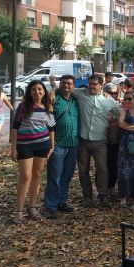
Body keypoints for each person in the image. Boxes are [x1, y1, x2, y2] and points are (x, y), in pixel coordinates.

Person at [69, 74, 120, 208]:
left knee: (102, 169)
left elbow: (120, 113)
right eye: (89, 83)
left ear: (101, 86)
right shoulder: (80, 94)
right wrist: (53, 90)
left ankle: (103, 195)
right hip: (83, 140)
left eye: (94, 84)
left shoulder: (108, 100)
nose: (91, 86)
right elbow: (65, 88)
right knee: (83, 169)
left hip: (100, 141)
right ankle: (87, 196)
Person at [10, 80, 56, 223]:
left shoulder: (47, 107)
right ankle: (18, 211)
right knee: (25, 177)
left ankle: (32, 207)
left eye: (40, 89)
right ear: (30, 92)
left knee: (37, 176)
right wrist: (13, 149)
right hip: (25, 146)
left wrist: (52, 145)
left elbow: (51, 127)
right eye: (34, 89)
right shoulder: (23, 107)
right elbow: (15, 127)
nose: (37, 92)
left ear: (44, 91)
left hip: (42, 145)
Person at [44, 75, 79, 220]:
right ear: (60, 84)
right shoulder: (54, 99)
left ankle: (62, 201)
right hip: (57, 144)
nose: (66, 86)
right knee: (55, 176)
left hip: (73, 144)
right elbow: (49, 120)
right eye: (63, 83)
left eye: (69, 83)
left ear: (73, 86)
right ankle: (51, 206)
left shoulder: (76, 100)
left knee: (67, 176)